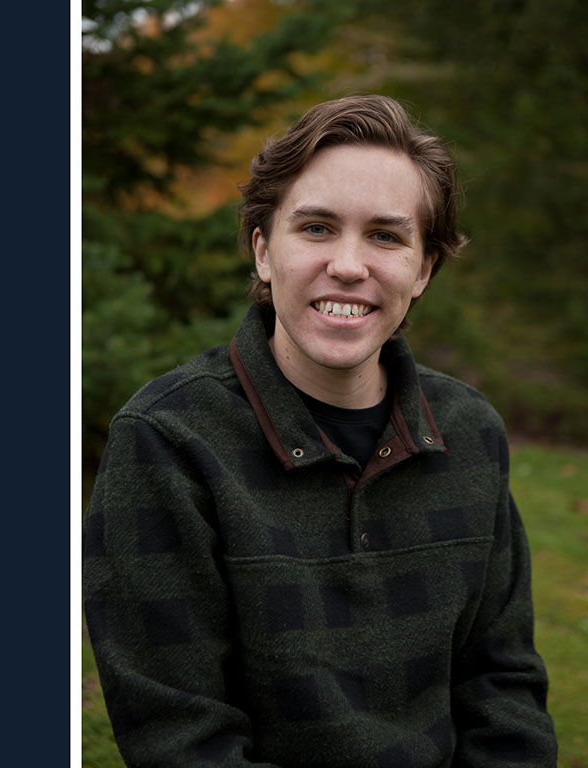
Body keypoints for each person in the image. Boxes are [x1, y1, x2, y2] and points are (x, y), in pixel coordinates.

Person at [82, 94, 557, 767]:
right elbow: (181, 739)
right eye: (316, 228)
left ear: (423, 269)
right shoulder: (167, 441)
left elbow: (502, 688)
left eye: (386, 236)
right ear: (263, 251)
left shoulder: (470, 431)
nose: (349, 265)